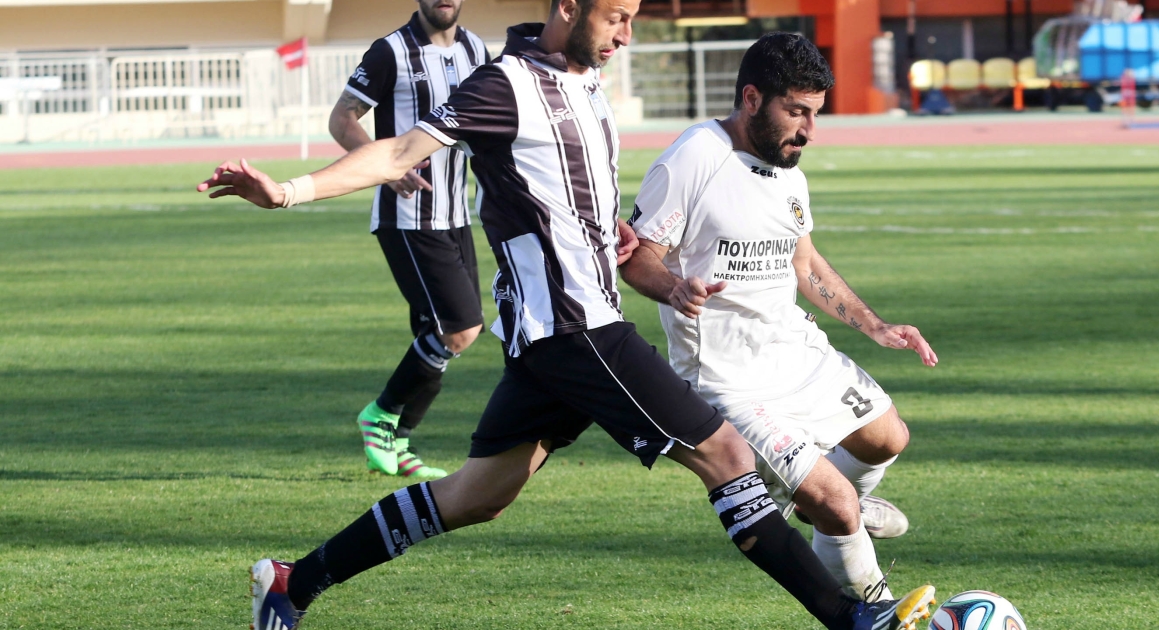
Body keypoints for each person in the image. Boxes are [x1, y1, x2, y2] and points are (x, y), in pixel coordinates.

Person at [198, 1, 935, 628]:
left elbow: (562, 192)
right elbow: (398, 152)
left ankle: (294, 583)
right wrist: (287, 192)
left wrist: (610, 234)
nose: (626, 34)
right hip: (575, 328)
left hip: (557, 332)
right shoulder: (506, 84)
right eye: (615, 16)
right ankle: (852, 618)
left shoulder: (586, 82)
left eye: (632, 18)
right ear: (568, 7)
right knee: (727, 457)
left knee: (477, 495)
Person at [619, 33, 939, 602]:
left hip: (794, 352)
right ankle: (876, 610)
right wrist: (674, 288)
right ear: (751, 99)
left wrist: (874, 325)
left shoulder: (788, 168)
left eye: (815, 114)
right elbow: (637, 254)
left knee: (887, 438)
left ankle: (828, 505)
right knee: (837, 504)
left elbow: (804, 263)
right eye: (796, 112)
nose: (809, 130)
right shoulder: (695, 157)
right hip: (729, 379)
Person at [326, 0, 491, 479]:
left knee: (440, 337)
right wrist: (386, 166)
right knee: (461, 328)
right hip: (408, 217)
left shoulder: (476, 49)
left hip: (456, 214)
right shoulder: (391, 51)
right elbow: (342, 118)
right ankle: (380, 415)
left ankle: (397, 442)